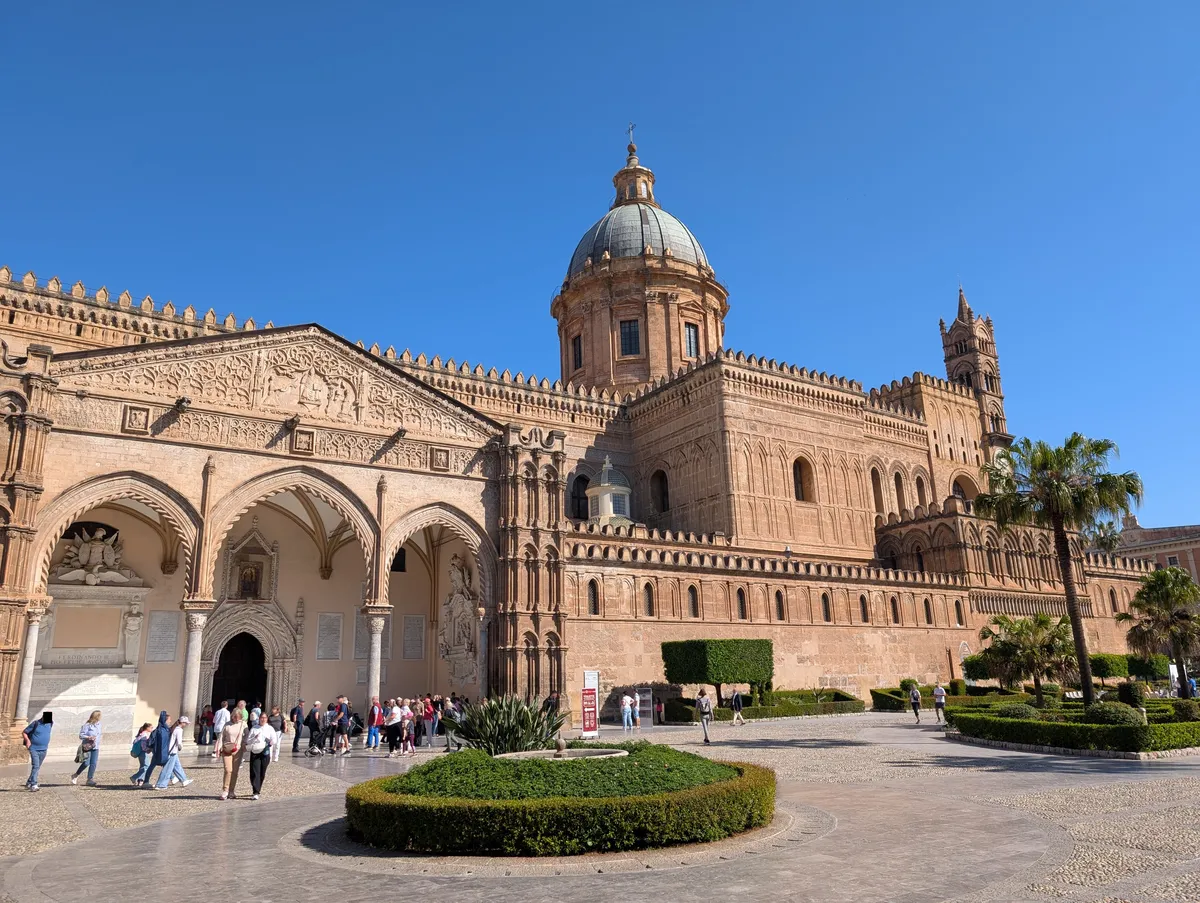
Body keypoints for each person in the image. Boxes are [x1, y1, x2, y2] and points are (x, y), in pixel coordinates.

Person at [153, 716, 194, 790]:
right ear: (183, 723)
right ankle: (161, 784)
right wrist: (180, 747)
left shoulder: (173, 728)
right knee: (168, 769)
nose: (186, 725)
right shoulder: (179, 730)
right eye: (186, 723)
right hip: (172, 751)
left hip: (171, 751)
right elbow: (179, 742)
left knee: (177, 766)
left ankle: (184, 780)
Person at [244, 711, 276, 800]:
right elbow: (248, 741)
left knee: (262, 772)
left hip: (265, 752)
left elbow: (274, 739)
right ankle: (255, 791)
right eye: (262, 718)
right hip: (255, 751)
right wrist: (254, 738)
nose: (263, 719)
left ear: (267, 719)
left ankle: (259, 787)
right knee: (255, 771)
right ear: (259, 719)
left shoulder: (270, 728)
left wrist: (270, 741)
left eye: (265, 718)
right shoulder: (254, 728)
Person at [218, 708, 247, 800]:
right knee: (228, 770)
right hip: (227, 749)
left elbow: (247, 734)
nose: (237, 719)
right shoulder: (227, 725)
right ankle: (225, 790)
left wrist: (244, 743)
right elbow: (221, 737)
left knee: (235, 772)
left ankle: (231, 790)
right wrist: (218, 748)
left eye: (239, 718)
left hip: (238, 750)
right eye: (235, 717)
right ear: (232, 716)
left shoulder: (243, 724)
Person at [71, 710, 103, 786]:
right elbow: (81, 735)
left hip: (96, 746)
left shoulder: (99, 725)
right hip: (87, 746)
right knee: (86, 763)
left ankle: (90, 779)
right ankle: (75, 775)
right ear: (97, 716)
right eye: (100, 716)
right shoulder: (87, 725)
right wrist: (88, 737)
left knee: (93, 763)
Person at [23, 711, 52, 792]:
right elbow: (25, 732)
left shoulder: (50, 723)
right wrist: (27, 741)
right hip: (34, 748)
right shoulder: (36, 723)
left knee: (37, 767)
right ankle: (34, 784)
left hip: (44, 749)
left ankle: (29, 782)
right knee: (35, 766)